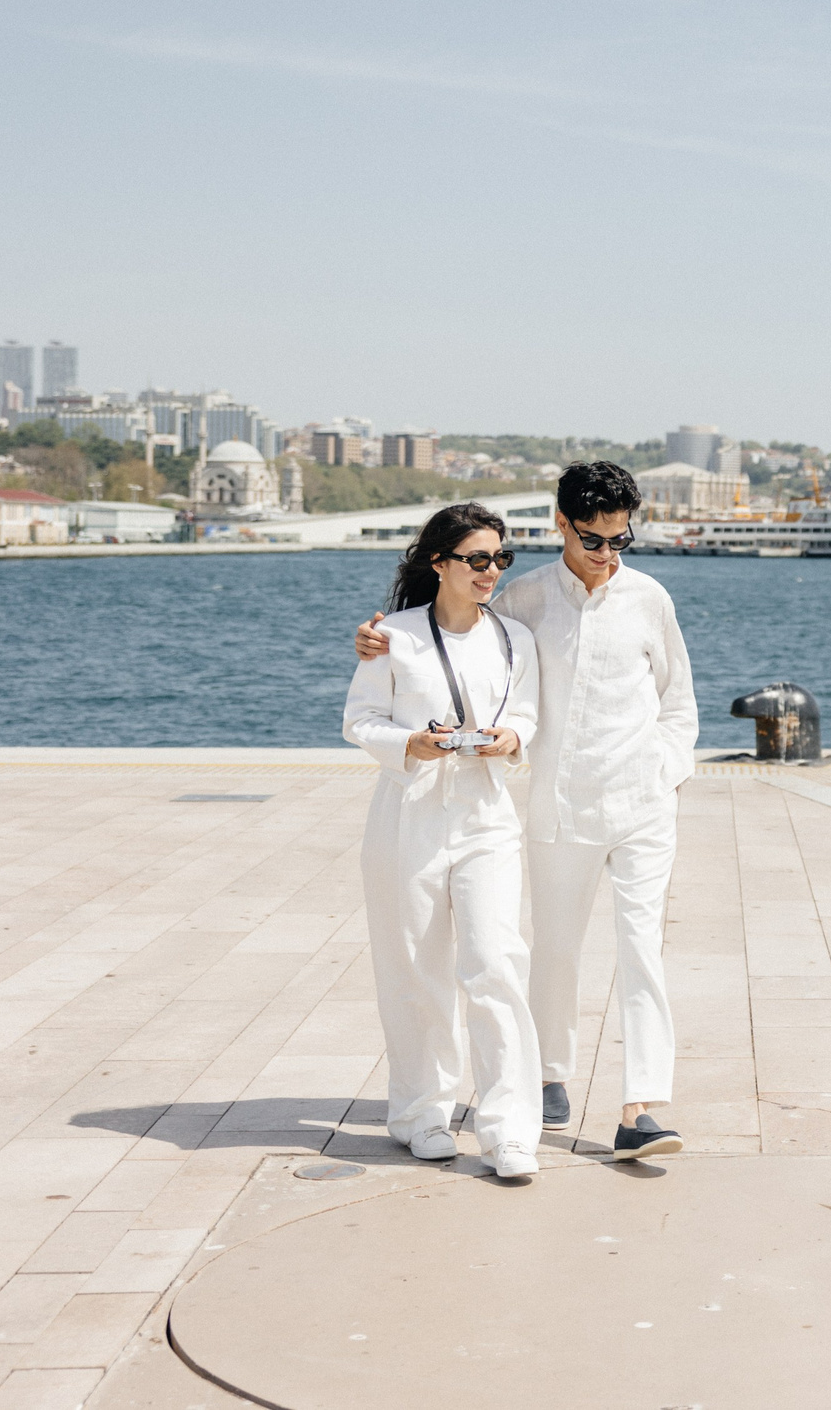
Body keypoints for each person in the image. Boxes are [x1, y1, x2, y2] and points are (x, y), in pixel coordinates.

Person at [356, 462, 698, 1160]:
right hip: (554, 808)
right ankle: (547, 1076)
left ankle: (641, 1107)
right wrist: (382, 643)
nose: (609, 555)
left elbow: (677, 699)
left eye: (621, 540)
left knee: (642, 950)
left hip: (641, 805)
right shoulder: (524, 601)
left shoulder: (650, 599)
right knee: (553, 950)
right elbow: (464, 642)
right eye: (595, 540)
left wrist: (667, 772)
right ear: (562, 525)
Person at [343, 502, 543, 1180]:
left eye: (500, 558)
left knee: (495, 965)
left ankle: (510, 1128)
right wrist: (411, 744)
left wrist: (513, 737)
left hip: (486, 814)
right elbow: (359, 718)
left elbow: (526, 711)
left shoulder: (514, 637)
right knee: (415, 969)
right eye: (477, 558)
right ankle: (422, 1113)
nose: (492, 570)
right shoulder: (392, 636)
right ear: (439, 562)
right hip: (411, 816)